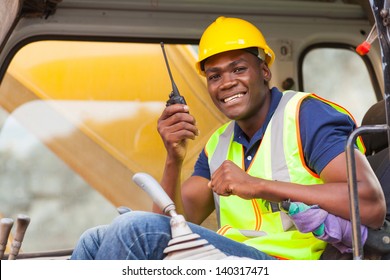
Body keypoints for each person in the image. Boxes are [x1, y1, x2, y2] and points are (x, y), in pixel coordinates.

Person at [70, 16, 386, 260]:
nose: (226, 83)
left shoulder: (305, 115)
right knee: (93, 239)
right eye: (215, 75)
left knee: (133, 229)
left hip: (292, 263)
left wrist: (260, 186)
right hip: (231, 260)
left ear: (264, 71)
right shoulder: (219, 143)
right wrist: (173, 158)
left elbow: (370, 205)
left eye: (238, 69)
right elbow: (171, 223)